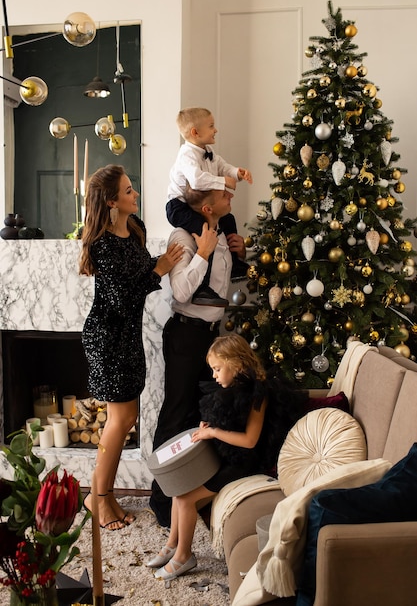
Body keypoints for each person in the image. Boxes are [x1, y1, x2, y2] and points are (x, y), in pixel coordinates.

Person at [146, 334, 306, 580]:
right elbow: (231, 421)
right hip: (228, 456)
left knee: (187, 499)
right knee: (179, 491)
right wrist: (210, 426)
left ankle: (184, 556)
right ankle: (172, 546)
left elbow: (250, 440)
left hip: (243, 463)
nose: (214, 375)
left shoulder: (257, 393)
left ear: (237, 364)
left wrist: (214, 432)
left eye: (218, 369)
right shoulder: (233, 388)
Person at [79, 164, 183, 531]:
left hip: (128, 337)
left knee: (124, 419)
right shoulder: (102, 244)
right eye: (127, 191)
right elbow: (122, 299)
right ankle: (99, 498)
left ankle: (101, 495)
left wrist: (158, 265)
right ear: (111, 202)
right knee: (120, 420)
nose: (134, 194)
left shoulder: (133, 230)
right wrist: (159, 269)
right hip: (108, 338)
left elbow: (136, 277)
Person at [149, 183, 243, 528]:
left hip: (210, 337)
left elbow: (219, 286)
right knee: (175, 415)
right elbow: (181, 290)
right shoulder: (184, 237)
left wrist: (238, 252)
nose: (230, 199)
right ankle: (161, 505)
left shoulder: (219, 231)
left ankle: (189, 498)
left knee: (202, 415)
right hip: (185, 335)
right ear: (207, 206)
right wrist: (202, 252)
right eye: (224, 195)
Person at [167, 107, 252, 306]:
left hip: (195, 204)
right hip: (179, 206)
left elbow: (223, 166)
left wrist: (237, 173)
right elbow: (196, 181)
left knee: (228, 220)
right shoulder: (187, 154)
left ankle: (236, 263)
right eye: (211, 126)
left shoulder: (208, 151)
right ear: (195, 132)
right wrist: (224, 182)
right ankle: (202, 288)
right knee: (207, 233)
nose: (216, 130)